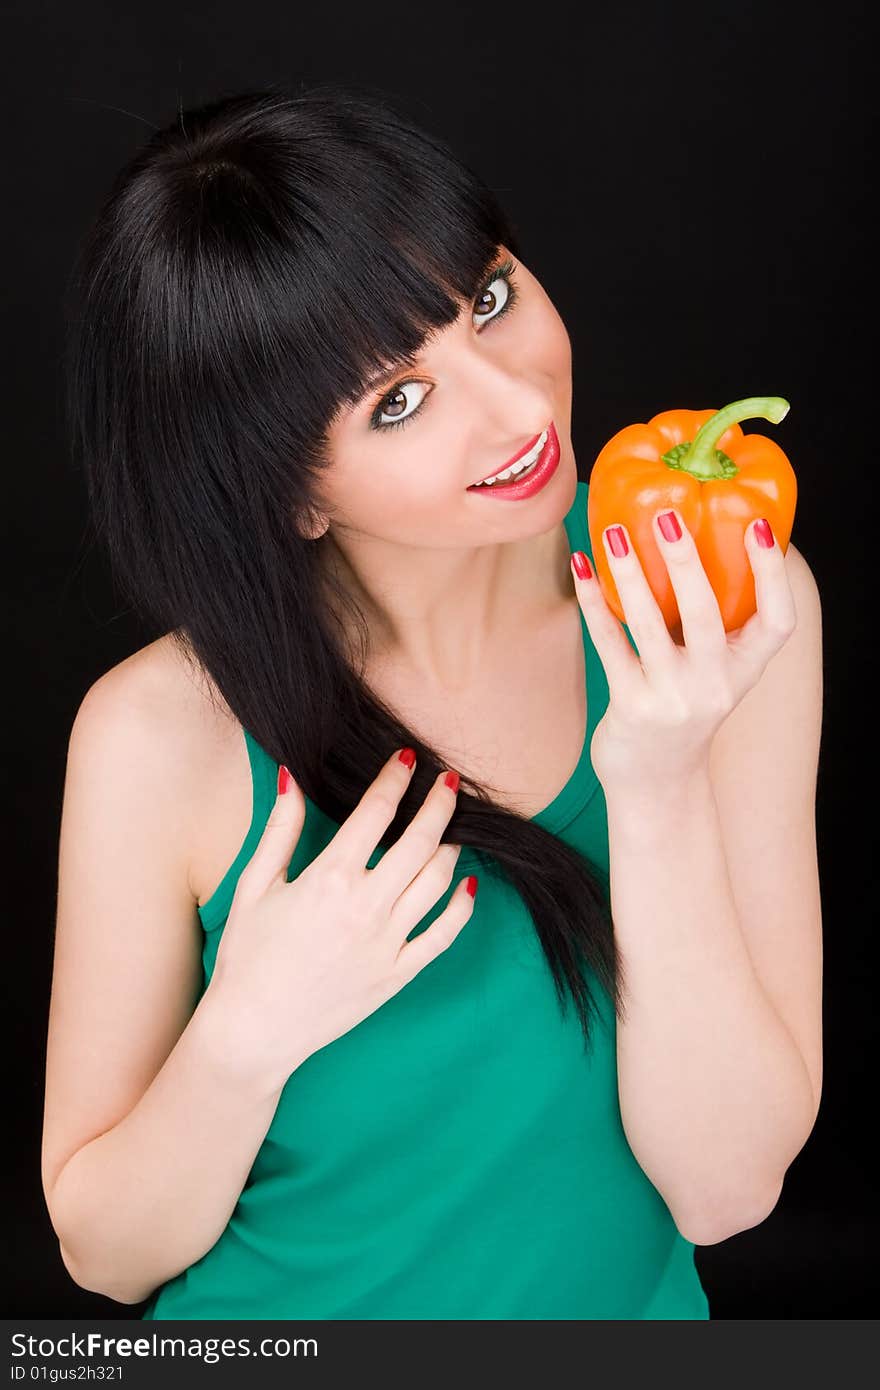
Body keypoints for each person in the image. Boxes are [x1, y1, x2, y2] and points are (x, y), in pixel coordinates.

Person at [41, 81, 823, 1320]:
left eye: (491, 300)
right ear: (287, 495)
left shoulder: (721, 591)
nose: (521, 408)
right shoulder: (157, 733)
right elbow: (106, 1254)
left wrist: (659, 780)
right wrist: (248, 1027)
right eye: (397, 401)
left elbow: (725, 1192)